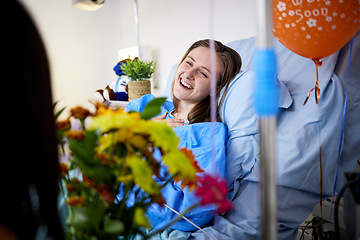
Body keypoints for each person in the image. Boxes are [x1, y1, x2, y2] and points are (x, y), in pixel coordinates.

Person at [123, 39, 241, 233]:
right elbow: (101, 147)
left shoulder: (207, 135)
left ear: (216, 89)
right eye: (188, 62)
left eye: (203, 73)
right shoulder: (145, 107)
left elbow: (194, 210)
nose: (188, 73)